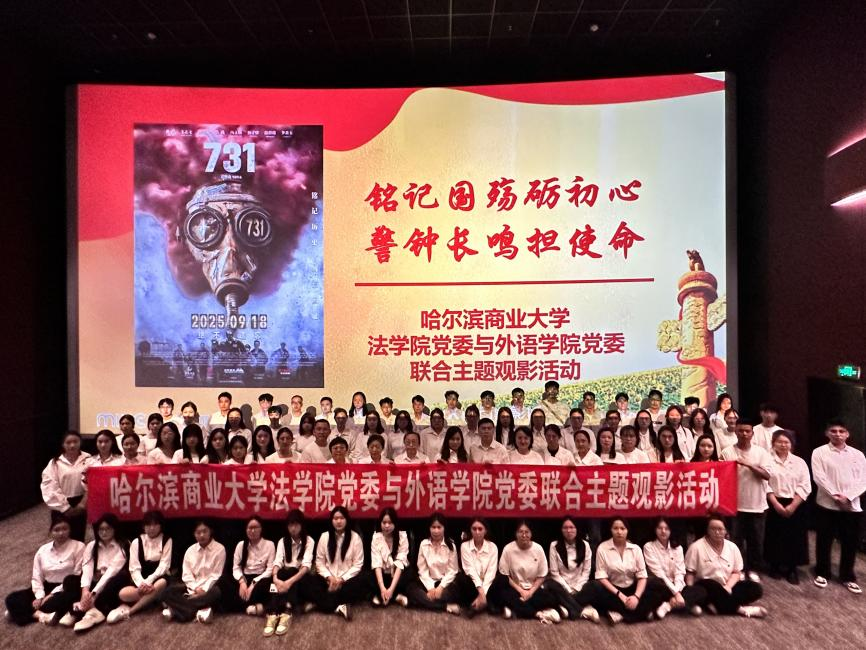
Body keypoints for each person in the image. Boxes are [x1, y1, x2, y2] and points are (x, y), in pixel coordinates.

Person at [811, 419, 866, 594]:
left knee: (850, 542)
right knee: (824, 540)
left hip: (851, 506)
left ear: (847, 434)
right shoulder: (819, 452)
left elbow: (863, 480)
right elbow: (819, 477)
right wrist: (835, 496)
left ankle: (847, 576)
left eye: (841, 431)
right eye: (833, 431)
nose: (838, 434)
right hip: (827, 504)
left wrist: (848, 497)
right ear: (827, 433)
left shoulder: (858, 455)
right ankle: (822, 572)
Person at [4, 512, 86, 626]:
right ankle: (39, 615)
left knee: (50, 604)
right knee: (11, 598)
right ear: (50, 532)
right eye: (57, 530)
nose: (61, 533)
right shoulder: (43, 550)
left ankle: (20, 612)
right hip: (46, 586)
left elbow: (77, 575)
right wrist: (39, 596)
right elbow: (37, 577)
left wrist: (50, 595)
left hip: (66, 587)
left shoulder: (79, 547)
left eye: (65, 529)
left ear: (70, 529)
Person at [720, 419, 773, 579]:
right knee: (735, 541)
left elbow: (767, 475)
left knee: (755, 541)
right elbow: (721, 477)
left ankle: (754, 570)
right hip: (734, 506)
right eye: (741, 430)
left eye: (747, 431)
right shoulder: (727, 452)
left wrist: (748, 464)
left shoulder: (761, 453)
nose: (744, 434)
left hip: (757, 505)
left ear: (752, 433)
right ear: (735, 432)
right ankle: (739, 570)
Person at [684, 515, 766, 617]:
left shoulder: (732, 547)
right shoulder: (696, 547)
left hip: (726, 585)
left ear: (726, 531)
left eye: (720, 529)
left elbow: (736, 573)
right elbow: (690, 573)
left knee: (755, 589)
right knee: (709, 585)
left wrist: (727, 587)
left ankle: (716, 604)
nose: (717, 532)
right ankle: (740, 609)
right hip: (705, 587)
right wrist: (691, 590)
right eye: (713, 529)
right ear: (707, 530)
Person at [590, 517, 665, 624]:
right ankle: (641, 613)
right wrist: (620, 595)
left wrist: (636, 597)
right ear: (611, 530)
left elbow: (642, 576)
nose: (619, 532)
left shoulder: (636, 549)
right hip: (613, 590)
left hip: (632, 588)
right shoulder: (602, 548)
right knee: (594, 588)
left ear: (627, 530)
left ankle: (621, 614)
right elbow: (601, 577)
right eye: (615, 528)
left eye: (622, 528)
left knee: (657, 585)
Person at [67, 514, 130, 632]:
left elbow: (111, 572)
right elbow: (87, 567)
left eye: (108, 529)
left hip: (111, 581)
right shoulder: (92, 545)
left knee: (117, 580)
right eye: (101, 529)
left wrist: (93, 594)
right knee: (70, 580)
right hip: (95, 580)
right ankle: (82, 605)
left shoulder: (123, 545)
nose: (104, 532)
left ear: (114, 529)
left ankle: (92, 610)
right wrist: (85, 591)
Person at [489, 520, 559, 623]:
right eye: (520, 532)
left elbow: (542, 575)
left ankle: (514, 610)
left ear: (531, 533)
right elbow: (505, 576)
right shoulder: (508, 549)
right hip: (515, 589)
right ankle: (538, 614)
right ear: (516, 534)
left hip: (533, 589)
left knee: (551, 598)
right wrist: (521, 591)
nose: (524, 535)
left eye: (527, 532)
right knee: (504, 595)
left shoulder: (538, 548)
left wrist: (530, 592)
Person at [764, 429, 811, 584]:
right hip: (773, 502)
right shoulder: (767, 460)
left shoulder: (799, 462)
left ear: (792, 444)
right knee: (774, 535)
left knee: (794, 537)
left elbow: (805, 485)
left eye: (786, 442)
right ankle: (774, 565)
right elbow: (765, 484)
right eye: (779, 442)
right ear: (773, 443)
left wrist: (793, 505)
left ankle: (792, 568)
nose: (783, 445)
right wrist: (776, 504)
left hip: (795, 503)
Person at [110, 510, 172, 623]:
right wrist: (141, 585)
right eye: (148, 525)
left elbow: (164, 565)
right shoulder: (136, 542)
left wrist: (149, 582)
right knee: (122, 593)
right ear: (143, 526)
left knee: (161, 583)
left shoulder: (167, 540)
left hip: (158, 578)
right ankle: (153, 598)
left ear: (161, 526)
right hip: (140, 581)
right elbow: (134, 568)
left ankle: (131, 611)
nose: (152, 528)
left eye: (155, 524)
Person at [306, 506, 367, 619]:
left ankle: (320, 603)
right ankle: (339, 606)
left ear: (347, 520)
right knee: (307, 580)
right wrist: (329, 578)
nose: (338, 521)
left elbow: (358, 565)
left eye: (341, 518)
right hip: (327, 581)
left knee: (363, 580)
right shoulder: (324, 537)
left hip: (346, 582)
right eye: (335, 518)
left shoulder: (355, 538)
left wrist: (341, 580)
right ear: (331, 520)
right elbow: (319, 562)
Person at [161, 520, 226, 623]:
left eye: (205, 531)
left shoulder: (220, 549)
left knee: (217, 592)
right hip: (192, 587)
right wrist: (195, 589)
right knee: (167, 592)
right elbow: (186, 575)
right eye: (198, 532)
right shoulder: (190, 550)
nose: (202, 535)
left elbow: (216, 574)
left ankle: (176, 610)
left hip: (209, 588)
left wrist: (204, 590)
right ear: (194, 534)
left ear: (210, 531)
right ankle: (196, 612)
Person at [264, 509, 314, 637]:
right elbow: (277, 562)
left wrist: (288, 583)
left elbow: (305, 567)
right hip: (283, 579)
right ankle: (273, 613)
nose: (293, 528)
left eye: (296, 524)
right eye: (290, 525)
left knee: (291, 570)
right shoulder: (282, 541)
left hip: (301, 579)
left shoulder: (309, 541)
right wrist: (275, 578)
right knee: (280, 572)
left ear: (302, 525)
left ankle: (287, 610)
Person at [642, 517, 704, 618]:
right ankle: (686, 604)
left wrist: (677, 591)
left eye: (666, 528)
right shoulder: (648, 547)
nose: (663, 531)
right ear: (655, 529)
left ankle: (668, 605)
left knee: (701, 590)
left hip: (677, 585)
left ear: (671, 530)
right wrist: (676, 594)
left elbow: (680, 572)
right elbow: (660, 575)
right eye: (660, 528)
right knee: (653, 588)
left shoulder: (678, 548)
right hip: (661, 584)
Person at [406, 513, 461, 615]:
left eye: (439, 527)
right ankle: (445, 607)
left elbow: (452, 571)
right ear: (429, 528)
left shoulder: (451, 545)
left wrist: (440, 588)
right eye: (433, 527)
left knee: (454, 592)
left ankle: (419, 602)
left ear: (444, 528)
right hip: (428, 582)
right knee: (411, 589)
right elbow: (422, 570)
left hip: (445, 584)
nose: (436, 531)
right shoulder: (423, 544)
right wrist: (430, 588)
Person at [543, 517, 597, 621]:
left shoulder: (585, 545)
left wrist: (576, 588)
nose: (568, 531)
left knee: (596, 585)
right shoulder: (554, 545)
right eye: (565, 528)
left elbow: (586, 572)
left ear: (577, 529)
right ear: (561, 530)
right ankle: (581, 610)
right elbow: (554, 573)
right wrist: (567, 589)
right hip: (561, 587)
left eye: (572, 527)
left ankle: (565, 606)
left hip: (580, 587)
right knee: (549, 583)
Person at [41, 430, 90, 541]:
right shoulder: (55, 462)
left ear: (80, 442)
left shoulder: (88, 459)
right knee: (61, 536)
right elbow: (49, 486)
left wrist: (82, 504)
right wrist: (65, 508)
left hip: (81, 502)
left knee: (78, 536)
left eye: (75, 442)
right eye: (68, 442)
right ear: (63, 444)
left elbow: (92, 483)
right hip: (60, 503)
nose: (72, 445)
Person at [223, 516, 276, 616]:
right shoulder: (241, 545)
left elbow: (269, 570)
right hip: (244, 577)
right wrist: (242, 582)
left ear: (261, 529)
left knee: (271, 586)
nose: (252, 531)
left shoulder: (270, 545)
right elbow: (236, 567)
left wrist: (253, 584)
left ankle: (243, 606)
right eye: (250, 528)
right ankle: (255, 607)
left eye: (255, 527)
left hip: (261, 579)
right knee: (223, 582)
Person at [368, 508, 410, 607]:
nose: (387, 526)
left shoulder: (402, 536)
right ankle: (393, 596)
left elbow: (400, 564)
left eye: (390, 523)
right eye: (384, 522)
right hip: (383, 574)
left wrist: (391, 589)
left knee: (409, 576)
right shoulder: (376, 538)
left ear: (395, 523)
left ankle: (388, 595)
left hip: (397, 574)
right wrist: (382, 588)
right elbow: (377, 564)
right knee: (368, 577)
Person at [457, 518, 498, 616]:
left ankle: (478, 604)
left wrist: (484, 593)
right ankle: (484, 603)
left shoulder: (493, 547)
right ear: (470, 530)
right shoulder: (464, 546)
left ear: (485, 531)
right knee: (461, 578)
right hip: (473, 585)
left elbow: (491, 572)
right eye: (474, 529)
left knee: (502, 579)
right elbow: (469, 570)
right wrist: (481, 592)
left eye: (480, 529)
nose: (477, 532)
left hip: (488, 585)